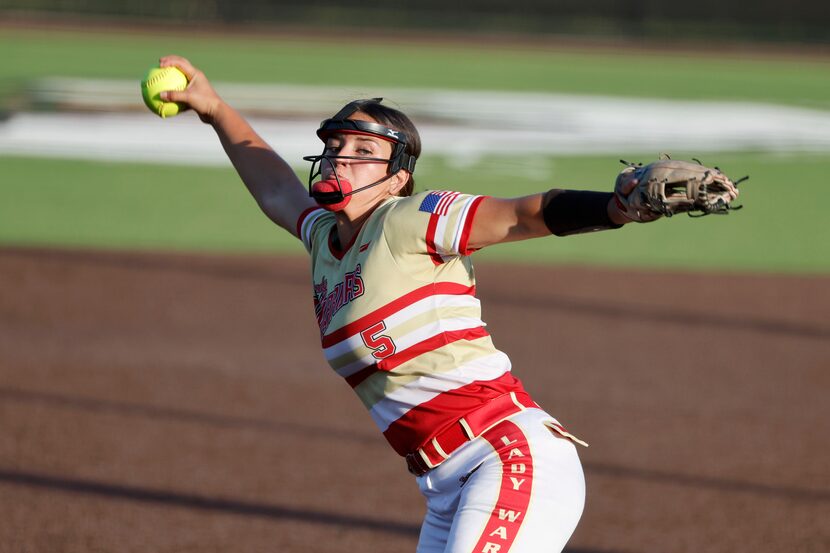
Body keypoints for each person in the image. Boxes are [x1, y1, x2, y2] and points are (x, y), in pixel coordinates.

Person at [158, 55, 653, 553]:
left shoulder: (407, 219)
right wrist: (214, 109)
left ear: (397, 179)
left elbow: (523, 216)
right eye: (334, 146)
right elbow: (274, 187)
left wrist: (614, 209)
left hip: (505, 456)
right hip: (445, 490)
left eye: (363, 149)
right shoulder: (325, 241)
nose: (339, 157)